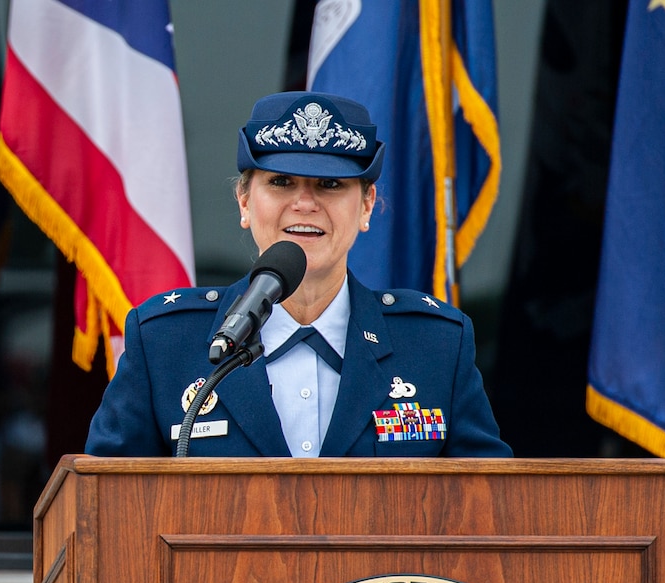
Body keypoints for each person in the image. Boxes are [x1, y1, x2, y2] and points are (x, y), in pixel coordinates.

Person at [84, 92, 510, 458]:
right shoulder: (165, 342)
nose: (304, 203)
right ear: (245, 203)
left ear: (366, 206)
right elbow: (102, 504)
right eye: (282, 181)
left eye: (330, 185)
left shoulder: (436, 345)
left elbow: (491, 506)